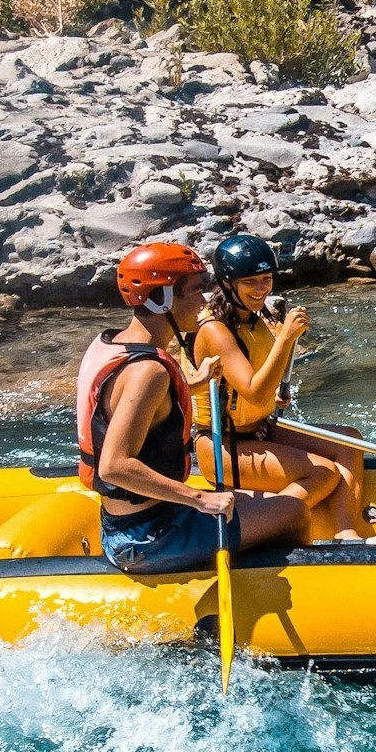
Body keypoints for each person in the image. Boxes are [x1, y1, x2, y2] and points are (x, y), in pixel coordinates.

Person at [76, 241, 309, 573]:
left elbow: (125, 401)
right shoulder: (150, 372)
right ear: (163, 299)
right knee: (295, 513)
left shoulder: (110, 344)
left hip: (130, 523)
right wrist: (200, 498)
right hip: (150, 536)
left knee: (272, 505)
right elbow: (113, 467)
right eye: (195, 292)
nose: (203, 302)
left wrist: (191, 385)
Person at [189, 234, 368, 541]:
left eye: (266, 279)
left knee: (350, 441)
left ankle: (345, 533)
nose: (262, 289)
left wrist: (274, 396)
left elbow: (259, 390)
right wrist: (285, 337)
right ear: (229, 283)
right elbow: (252, 391)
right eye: (251, 281)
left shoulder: (254, 320)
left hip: (257, 429)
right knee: (323, 472)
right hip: (223, 445)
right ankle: (262, 524)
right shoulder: (215, 330)